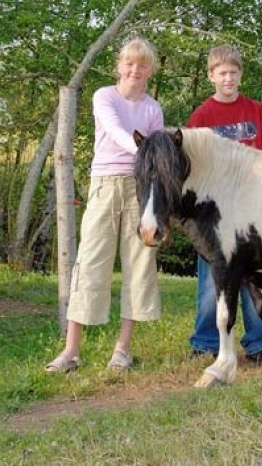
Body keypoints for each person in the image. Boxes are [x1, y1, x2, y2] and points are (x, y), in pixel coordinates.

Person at [45, 37, 164, 373]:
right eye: (129, 63)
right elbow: (113, 131)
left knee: (139, 264)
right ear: (119, 66)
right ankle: (71, 352)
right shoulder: (104, 96)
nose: (135, 70)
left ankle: (122, 350)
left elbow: (158, 156)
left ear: (150, 71)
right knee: (90, 262)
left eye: (142, 65)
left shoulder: (153, 109)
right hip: (104, 187)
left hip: (139, 191)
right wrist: (143, 150)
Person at [187, 44, 262, 365]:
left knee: (253, 274)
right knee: (212, 279)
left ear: (240, 75)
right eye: (222, 73)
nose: (228, 78)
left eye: (233, 72)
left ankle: (260, 342)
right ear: (211, 76)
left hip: (252, 208)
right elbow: (191, 163)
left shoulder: (256, 111)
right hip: (216, 214)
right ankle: (206, 342)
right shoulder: (202, 117)